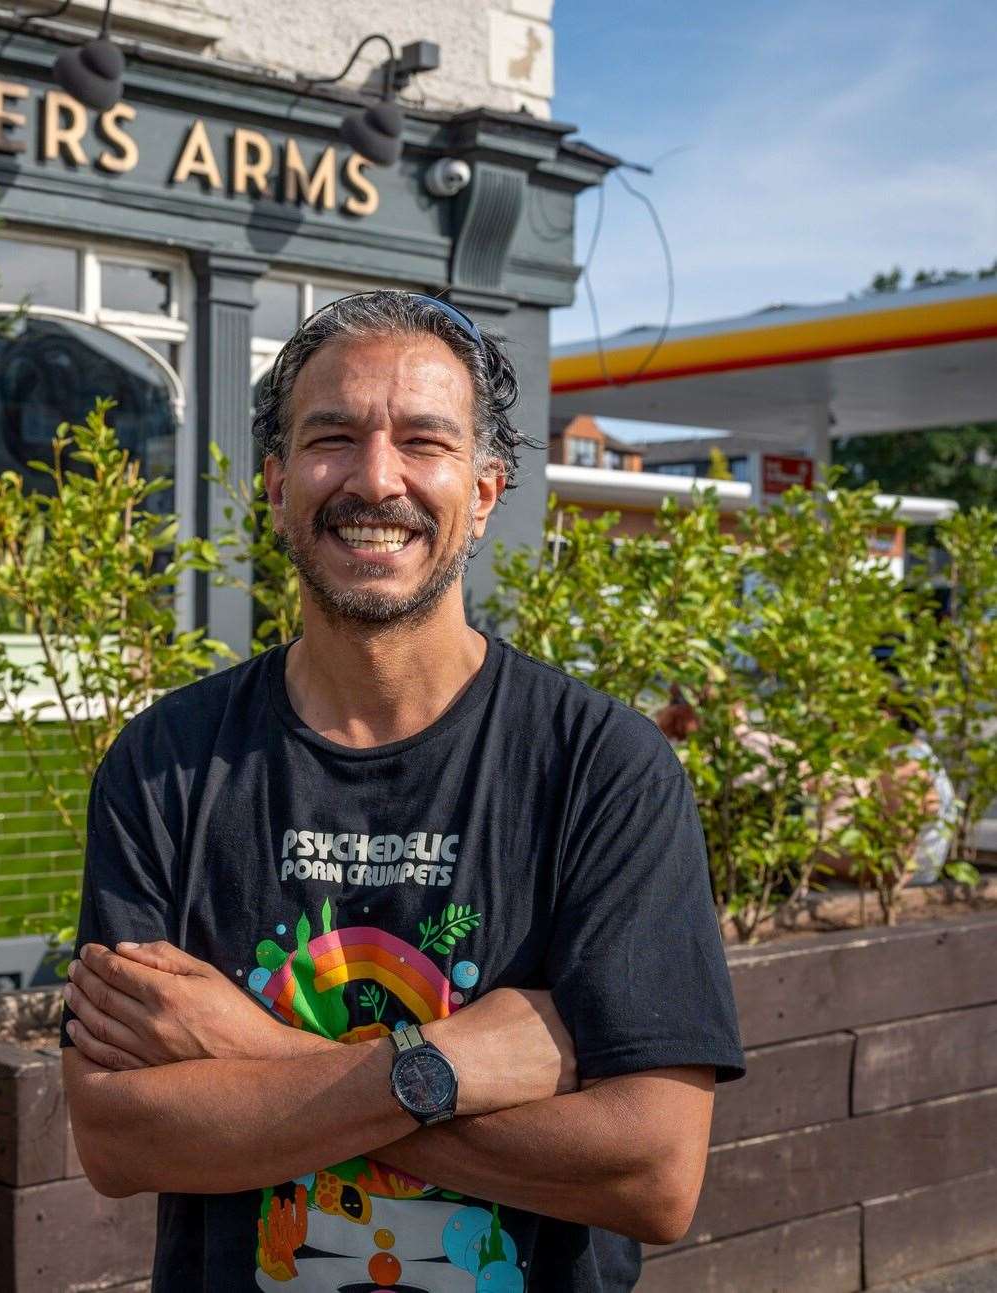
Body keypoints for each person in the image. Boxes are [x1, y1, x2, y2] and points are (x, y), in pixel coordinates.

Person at [58, 291, 744, 1293]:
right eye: (333, 437)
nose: (376, 479)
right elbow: (120, 1141)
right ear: (279, 482)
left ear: (486, 489)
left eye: (424, 441)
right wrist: (449, 1069)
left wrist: (258, 1051)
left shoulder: (603, 770)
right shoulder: (165, 765)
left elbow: (651, 1173)